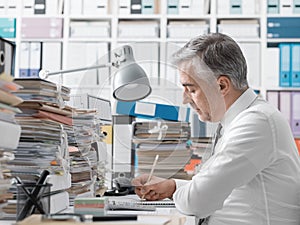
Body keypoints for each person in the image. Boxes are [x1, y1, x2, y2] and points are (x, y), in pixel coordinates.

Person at [132, 33, 300, 225]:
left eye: (191, 89)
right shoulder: (239, 119)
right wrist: (172, 187)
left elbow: (196, 202)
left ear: (221, 86)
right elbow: (216, 187)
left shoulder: (256, 123)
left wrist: (182, 191)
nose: (185, 99)